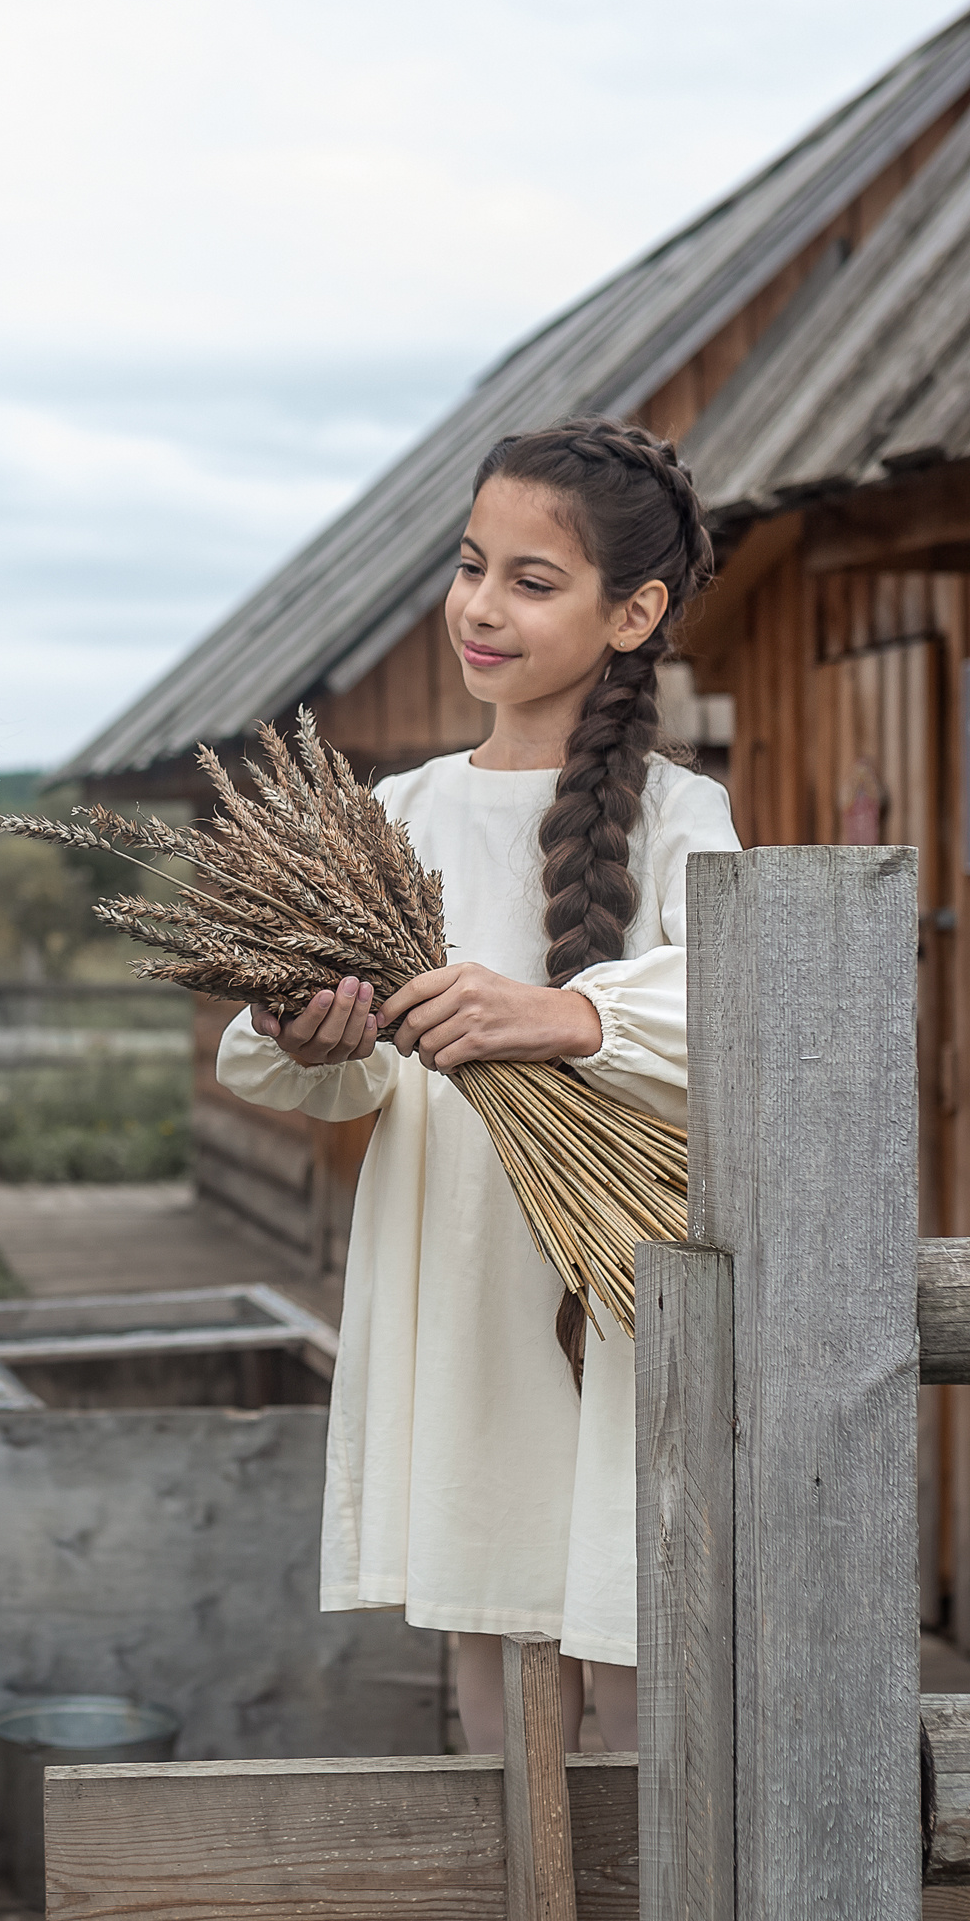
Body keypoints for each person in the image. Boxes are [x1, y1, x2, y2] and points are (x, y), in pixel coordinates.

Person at [215, 414, 738, 1754]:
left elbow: (741, 1017)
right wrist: (313, 1036)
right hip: (456, 1267)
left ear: (635, 614)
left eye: (532, 579)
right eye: (469, 566)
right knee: (490, 1655)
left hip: (621, 1280)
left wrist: (561, 1014)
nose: (481, 609)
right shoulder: (396, 818)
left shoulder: (683, 819)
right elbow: (311, 1073)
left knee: (630, 1640)